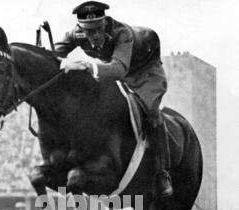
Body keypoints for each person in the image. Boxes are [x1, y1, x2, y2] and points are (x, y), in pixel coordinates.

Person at [55, 1, 173, 198]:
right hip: (115, 69)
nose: (93, 37)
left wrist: (86, 65)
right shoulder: (76, 33)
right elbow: (53, 55)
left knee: (152, 112)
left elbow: (119, 69)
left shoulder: (122, 33)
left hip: (145, 73)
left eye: (98, 30)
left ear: (105, 23)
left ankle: (162, 172)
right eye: (88, 31)